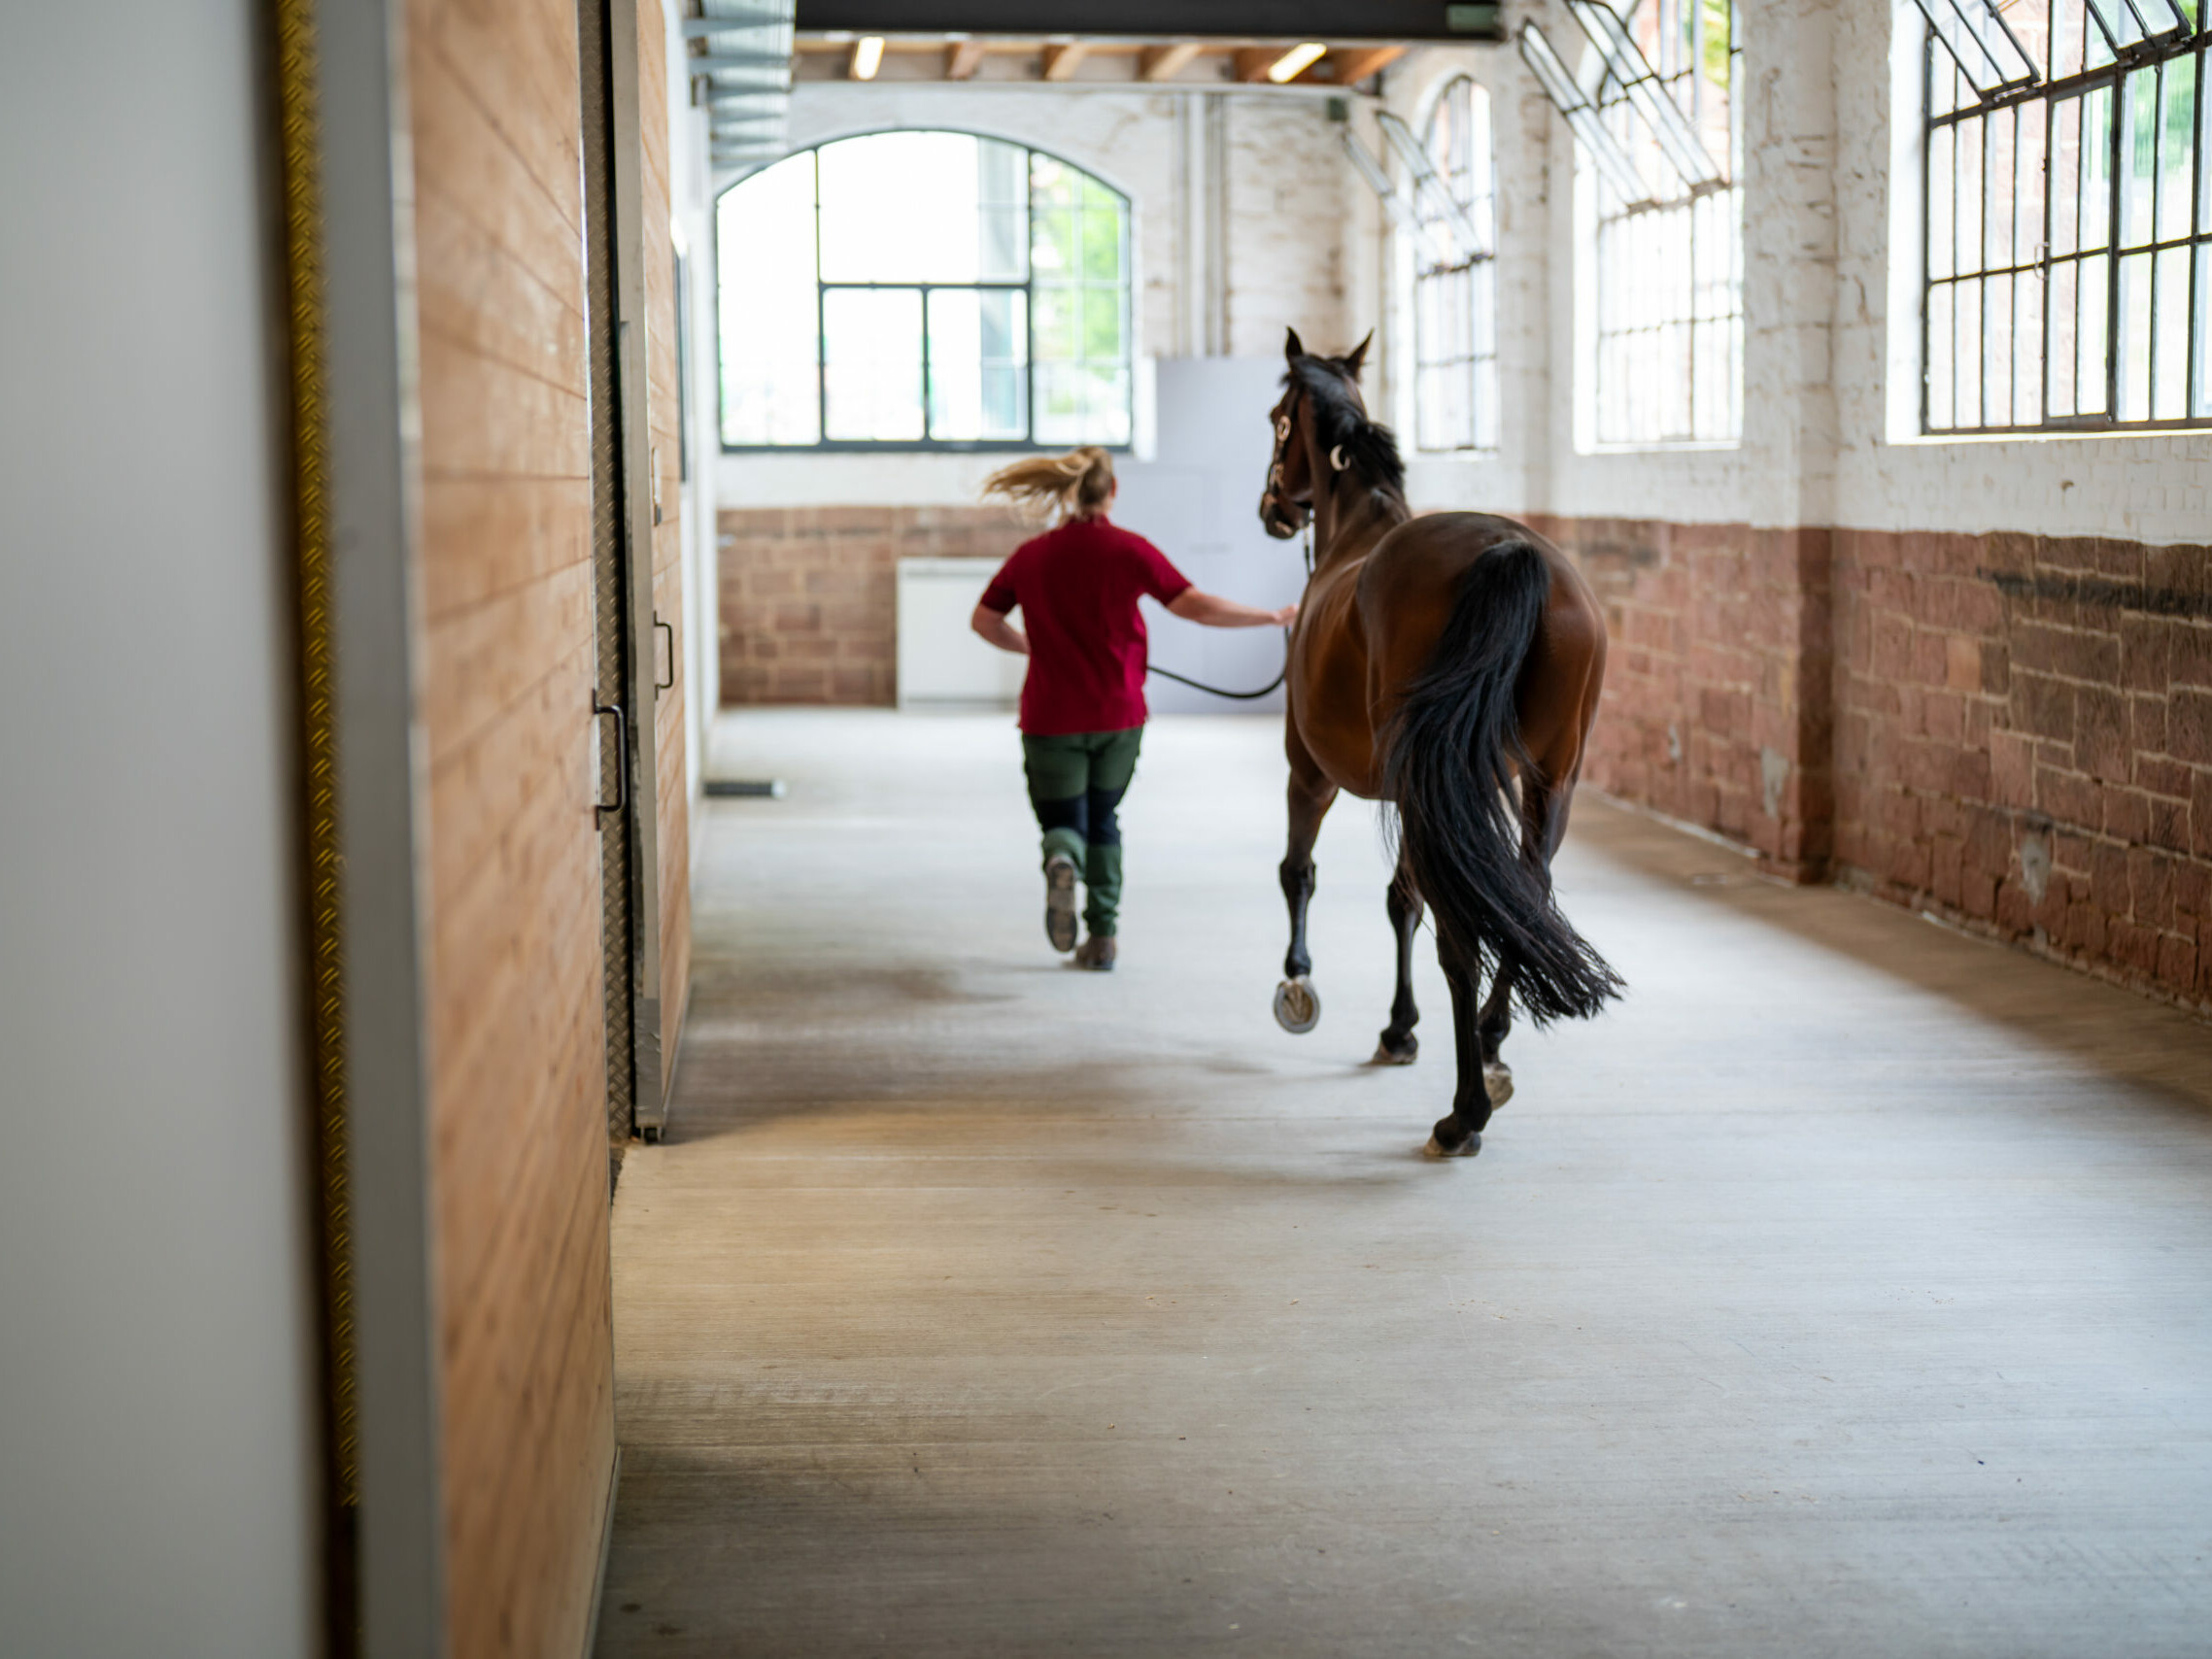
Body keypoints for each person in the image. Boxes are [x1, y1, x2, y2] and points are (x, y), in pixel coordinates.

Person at [971, 446, 1296, 971]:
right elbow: (1197, 606)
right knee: (1104, 819)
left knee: (1063, 820)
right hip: (1118, 715)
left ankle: (1061, 858)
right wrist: (1271, 617)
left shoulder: (1031, 556)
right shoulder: (1130, 551)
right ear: (1113, 492)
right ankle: (1102, 939)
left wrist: (1032, 645)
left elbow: (985, 621)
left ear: (1063, 495)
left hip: (1049, 717)